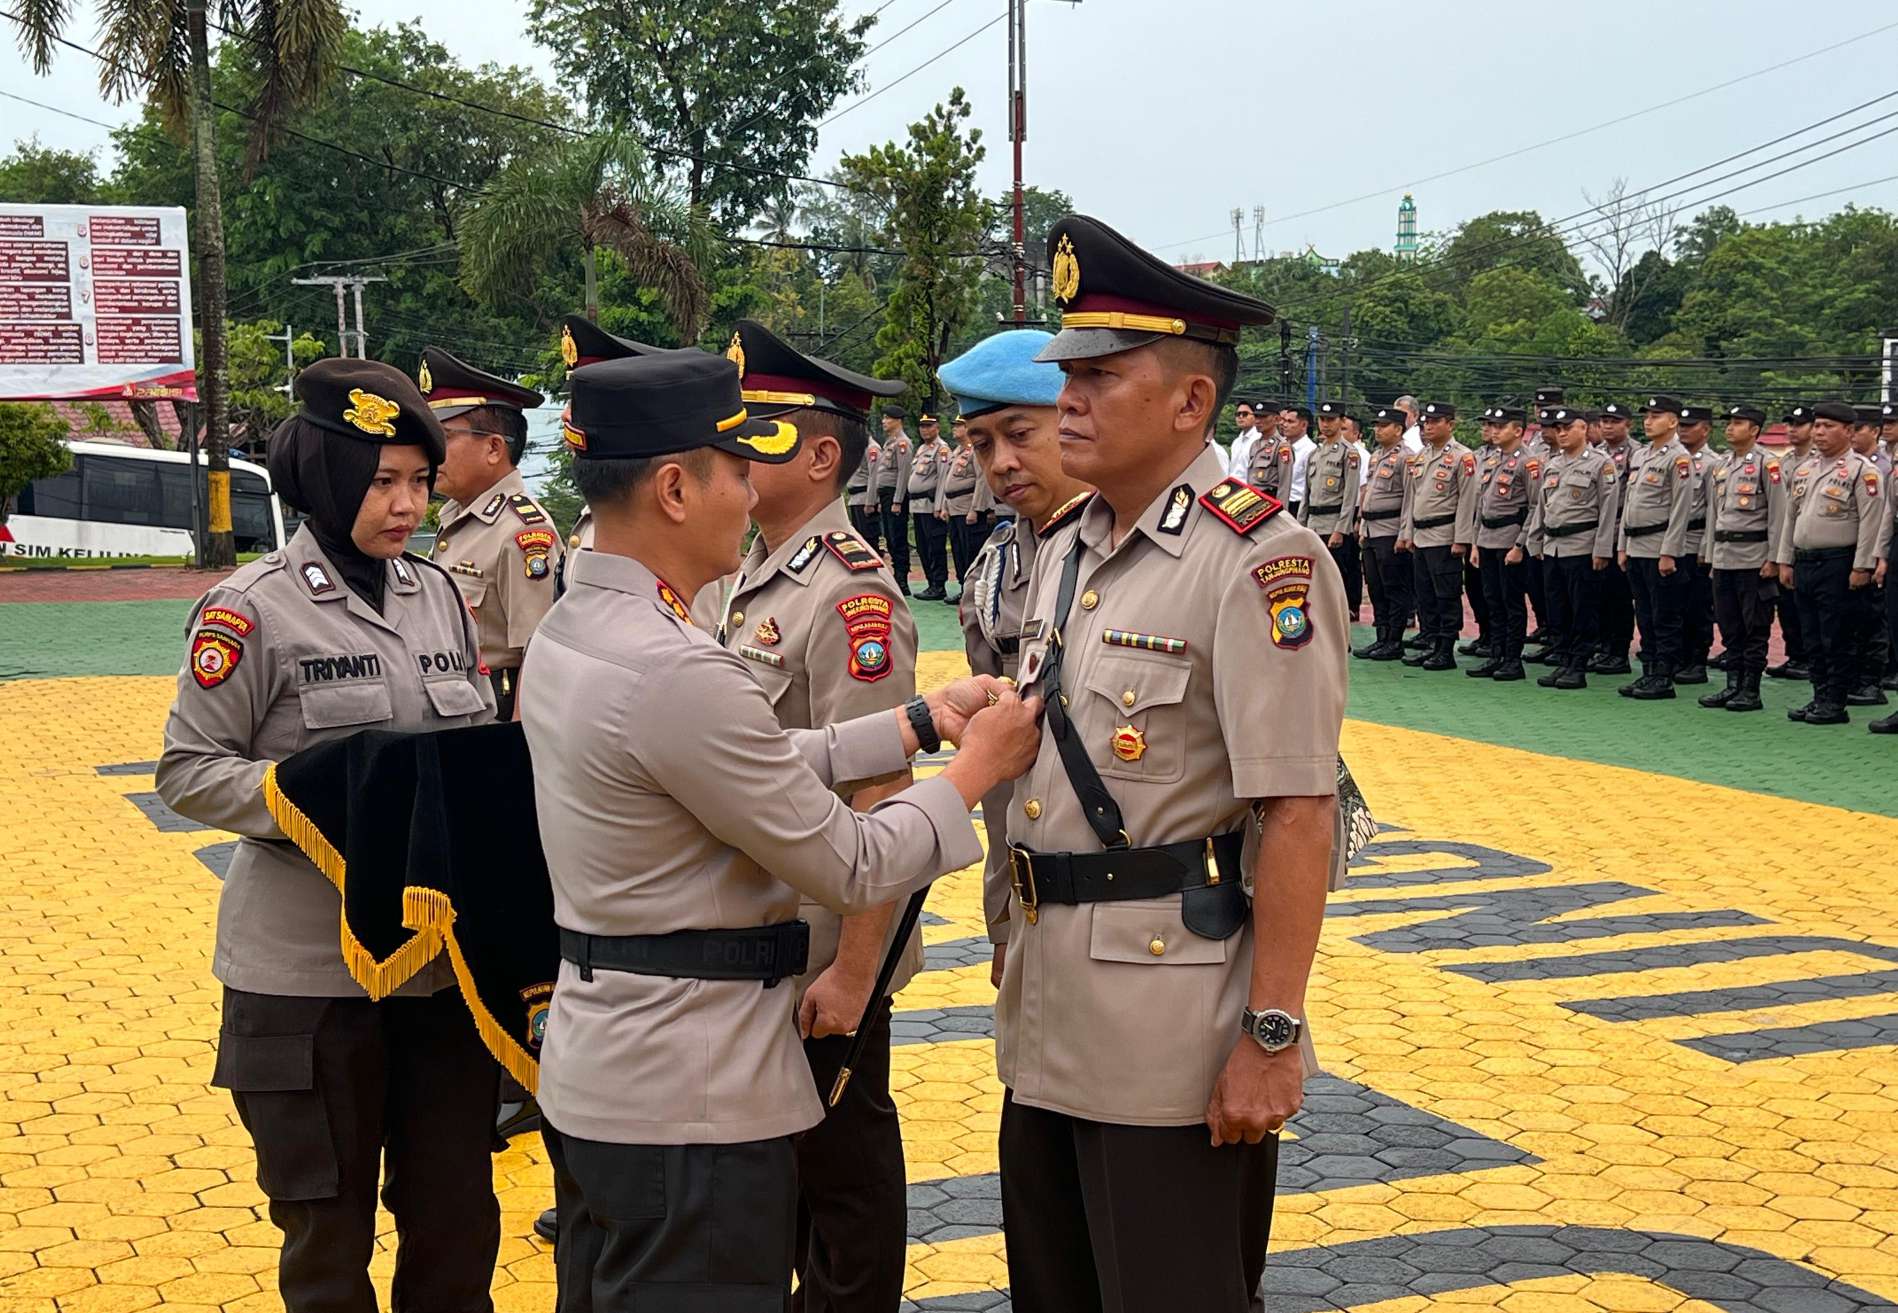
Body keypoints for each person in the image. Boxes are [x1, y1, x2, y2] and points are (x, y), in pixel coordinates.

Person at [520, 348, 1041, 1310]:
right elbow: (855, 858)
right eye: (733, 468)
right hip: (693, 1093)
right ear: (676, 488)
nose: (745, 490)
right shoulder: (674, 665)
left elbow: (720, 772)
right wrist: (976, 768)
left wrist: (913, 724)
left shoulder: (578, 630)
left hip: (608, 1063)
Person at [996, 212, 1344, 1313]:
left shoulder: (1258, 561)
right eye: (1067, 375)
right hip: (1047, 1009)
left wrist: (1271, 1033)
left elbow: (1295, 810)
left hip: (1171, 1036)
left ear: (1191, 401)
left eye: (1099, 376)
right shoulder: (1066, 547)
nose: (1067, 401)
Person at [156, 359, 503, 1313]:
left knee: (458, 1221)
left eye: (418, 481)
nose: (405, 504)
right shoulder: (250, 608)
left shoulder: (436, 594)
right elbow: (188, 769)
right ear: (323, 474)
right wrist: (325, 797)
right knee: (327, 1240)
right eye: (381, 480)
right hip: (307, 982)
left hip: (439, 972)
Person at [714, 319, 919, 1313]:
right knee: (786, 1165)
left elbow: (878, 791)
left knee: (843, 1165)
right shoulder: (747, 573)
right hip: (757, 934)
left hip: (822, 947)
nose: (729, 442)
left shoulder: (850, 598)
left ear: (820, 454)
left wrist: (854, 968)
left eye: (753, 427)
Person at [938, 327, 1093, 972]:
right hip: (1038, 905)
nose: (1000, 461)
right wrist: (1004, 921)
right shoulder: (994, 568)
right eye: (981, 443)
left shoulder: (1161, 557)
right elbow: (1003, 770)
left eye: (1021, 434)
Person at [420, 347, 560, 721]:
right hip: (457, 707)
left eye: (445, 437)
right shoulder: (455, 517)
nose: (433, 452)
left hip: (497, 713)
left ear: (494, 448)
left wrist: (518, 744)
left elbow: (539, 650)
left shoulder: (523, 532)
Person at [1774, 401, 1885, 726]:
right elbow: (1790, 519)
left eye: (1828, 426)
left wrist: (1862, 566)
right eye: (1818, 425)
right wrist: (1785, 559)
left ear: (1849, 432)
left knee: (1836, 636)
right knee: (1810, 635)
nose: (1820, 432)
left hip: (1839, 562)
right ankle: (1820, 695)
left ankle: (1835, 701)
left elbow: (1871, 523)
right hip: (1805, 561)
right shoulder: (1805, 469)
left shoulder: (1862, 471)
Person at [1522, 405, 1619, 689]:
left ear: (1584, 429)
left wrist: (1602, 549)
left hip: (1582, 546)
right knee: (1557, 608)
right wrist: (1535, 539)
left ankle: (1578, 665)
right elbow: (1543, 505)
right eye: (1559, 429)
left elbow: (1608, 510)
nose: (1562, 433)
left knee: (1582, 609)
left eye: (1568, 428)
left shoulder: (1601, 464)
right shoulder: (1553, 464)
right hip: (1552, 546)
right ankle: (1563, 659)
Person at [1699, 405, 1784, 713]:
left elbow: (1778, 514)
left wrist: (1774, 558)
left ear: (1755, 430)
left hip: (1753, 557)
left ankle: (1751, 689)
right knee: (1730, 625)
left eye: (1738, 423)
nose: (1731, 428)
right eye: (1730, 422)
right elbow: (1714, 515)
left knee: (1755, 626)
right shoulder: (1721, 466)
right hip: (1724, 557)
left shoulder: (1767, 464)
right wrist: (1709, 555)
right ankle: (1732, 684)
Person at [1618, 395, 1695, 699]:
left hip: (1658, 546)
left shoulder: (1679, 458)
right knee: (1645, 614)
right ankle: (1649, 671)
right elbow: (1629, 504)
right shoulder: (1641, 455)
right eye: (1647, 415)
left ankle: (1664, 676)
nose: (1648, 421)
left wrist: (1669, 551)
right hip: (1636, 545)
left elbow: (1681, 508)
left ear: (1673, 421)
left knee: (1665, 615)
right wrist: (1623, 545)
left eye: (1656, 415)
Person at [1401, 401, 1478, 671]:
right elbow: (1413, 498)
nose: (1428, 427)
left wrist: (1462, 539)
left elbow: (1468, 500)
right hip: (1421, 535)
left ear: (1451, 424)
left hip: (1444, 535)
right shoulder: (1422, 455)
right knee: (1425, 594)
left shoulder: (1462, 456)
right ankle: (1431, 642)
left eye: (1435, 422)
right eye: (1425, 423)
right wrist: (1407, 532)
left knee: (1446, 594)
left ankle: (1446, 649)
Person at [1463, 404, 1536, 682]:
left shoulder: (1528, 462)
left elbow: (1534, 506)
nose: (1493, 431)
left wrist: (1520, 545)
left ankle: (1512, 659)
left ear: (1518, 430)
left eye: (1500, 426)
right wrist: (1476, 543)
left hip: (1510, 538)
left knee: (1511, 601)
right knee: (1492, 600)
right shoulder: (1492, 459)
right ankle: (1495, 654)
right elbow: (1482, 505)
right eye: (1492, 426)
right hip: (1487, 539)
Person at [1356, 405, 1414, 661]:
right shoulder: (1377, 455)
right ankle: (1381, 637)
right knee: (1376, 586)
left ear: (1398, 429)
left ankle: (1394, 640)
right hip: (1371, 529)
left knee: (1394, 587)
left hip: (1391, 530)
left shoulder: (1406, 457)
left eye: (1383, 426)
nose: (1378, 430)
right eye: (1377, 426)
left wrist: (1405, 532)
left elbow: (1410, 499)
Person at [1767, 405, 1818, 681]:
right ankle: (1795, 655)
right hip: (1785, 540)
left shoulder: (1819, 460)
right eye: (1789, 424)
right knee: (1786, 603)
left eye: (1798, 424)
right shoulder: (1784, 462)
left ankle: (1810, 658)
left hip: (1809, 539)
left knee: (1806, 605)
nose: (1792, 429)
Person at [1301, 400, 1362, 618]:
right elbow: (1306, 495)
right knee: (1314, 579)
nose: (1325, 424)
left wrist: (1341, 529)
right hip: (1314, 524)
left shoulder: (1349, 453)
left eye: (1331, 419)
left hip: (1333, 522)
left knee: (1336, 578)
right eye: (1322, 419)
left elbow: (1350, 495)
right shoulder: (1314, 454)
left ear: (1342, 421)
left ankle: (1340, 622)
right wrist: (1301, 526)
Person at [1590, 401, 1639, 675]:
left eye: (1614, 421)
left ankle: (1619, 652)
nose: (1607, 426)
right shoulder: (1595, 454)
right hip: (1597, 532)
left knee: (1620, 597)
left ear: (1627, 424)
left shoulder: (1637, 455)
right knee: (1600, 596)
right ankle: (1604, 647)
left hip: (1620, 530)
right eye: (1604, 421)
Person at [1671, 406, 1717, 684]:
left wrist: (1706, 548)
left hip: (1695, 541)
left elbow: (1714, 509)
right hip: (1670, 542)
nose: (1684, 429)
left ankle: (1696, 660)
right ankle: (1677, 657)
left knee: (1697, 606)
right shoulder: (1672, 459)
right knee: (1672, 605)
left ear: (1706, 429)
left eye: (1691, 425)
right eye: (1682, 425)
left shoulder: (1713, 463)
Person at [1457, 409, 1500, 660]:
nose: (1487, 429)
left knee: (1494, 591)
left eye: (1493, 425)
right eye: (1485, 425)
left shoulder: (1514, 457)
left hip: (1499, 531)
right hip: (1477, 527)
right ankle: (1484, 633)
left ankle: (1496, 637)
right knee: (1474, 587)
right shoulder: (1477, 456)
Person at [939, 421, 997, 589]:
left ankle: (972, 588)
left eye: (959, 426)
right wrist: (945, 506)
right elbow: (948, 483)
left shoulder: (975, 451)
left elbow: (982, 480)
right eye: (954, 426)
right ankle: (963, 586)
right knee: (958, 551)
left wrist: (975, 509)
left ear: (967, 428)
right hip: (954, 508)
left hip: (967, 509)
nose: (954, 429)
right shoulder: (957, 452)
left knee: (970, 551)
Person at [907, 411, 952, 600]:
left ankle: (939, 584)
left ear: (937, 428)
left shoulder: (941, 449)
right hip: (917, 505)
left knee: (935, 546)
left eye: (929, 426)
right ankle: (930, 582)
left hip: (931, 505)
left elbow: (943, 479)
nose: (925, 430)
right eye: (922, 426)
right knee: (923, 546)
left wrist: (940, 506)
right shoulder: (922, 449)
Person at [873, 404, 914, 592]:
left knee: (897, 537)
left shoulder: (902, 443)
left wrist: (898, 500)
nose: (884, 422)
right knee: (889, 537)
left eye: (887, 418)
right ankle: (896, 575)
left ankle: (902, 578)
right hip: (886, 495)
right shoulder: (890, 443)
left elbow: (904, 473)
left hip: (895, 495)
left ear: (897, 420)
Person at [1246, 402, 1296, 499]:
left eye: (1263, 417)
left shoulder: (1282, 447)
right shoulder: (1255, 445)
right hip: (1253, 499)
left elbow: (1284, 484)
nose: (1257, 421)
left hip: (1270, 500)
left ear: (1276, 419)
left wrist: (1281, 511)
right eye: (1256, 417)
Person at [1281, 402, 1316, 517]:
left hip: (1298, 506)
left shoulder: (1311, 451)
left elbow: (1312, 486)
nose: (1284, 425)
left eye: (1290, 422)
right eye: (1284, 421)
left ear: (1304, 425)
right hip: (1281, 503)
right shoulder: (1282, 447)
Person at [1225, 397, 1264, 480]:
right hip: (1234, 487)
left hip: (1251, 489)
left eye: (1245, 414)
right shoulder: (1236, 442)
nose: (1241, 417)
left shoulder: (1259, 440)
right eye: (1238, 414)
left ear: (1255, 416)